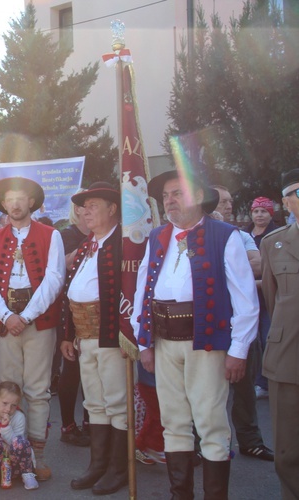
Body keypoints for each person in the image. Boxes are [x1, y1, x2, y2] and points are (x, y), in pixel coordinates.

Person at [132, 170, 258, 499]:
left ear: (199, 197)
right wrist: (143, 341)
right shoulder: (157, 237)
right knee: (174, 423)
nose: (170, 201)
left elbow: (246, 299)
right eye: (165, 197)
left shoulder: (225, 235)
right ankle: (181, 495)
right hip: (163, 341)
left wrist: (239, 350)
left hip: (206, 343)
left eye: (177, 194)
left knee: (211, 424)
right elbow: (143, 292)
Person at [0, 177, 65, 482]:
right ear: (4, 205)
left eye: (21, 198)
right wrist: (6, 316)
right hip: (5, 323)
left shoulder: (51, 235)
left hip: (38, 320)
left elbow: (54, 280)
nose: (15, 204)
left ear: (31, 203)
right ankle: (7, 455)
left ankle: (35, 456)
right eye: (10, 199)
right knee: (8, 388)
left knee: (38, 390)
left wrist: (25, 316)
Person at [60, 182, 128, 495]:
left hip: (112, 336)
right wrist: (68, 335)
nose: (85, 212)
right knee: (95, 403)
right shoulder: (89, 244)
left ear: (112, 209)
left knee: (117, 403)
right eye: (83, 207)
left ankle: (119, 469)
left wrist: (128, 337)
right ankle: (98, 465)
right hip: (85, 336)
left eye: (93, 206)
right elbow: (71, 290)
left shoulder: (124, 244)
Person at [214, 186, 274, 462]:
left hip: (243, 324)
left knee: (245, 387)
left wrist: (222, 263)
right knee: (207, 390)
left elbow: (259, 264)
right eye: (223, 201)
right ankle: (207, 444)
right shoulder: (196, 237)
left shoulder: (240, 235)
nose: (228, 206)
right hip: (209, 326)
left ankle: (250, 440)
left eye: (229, 201)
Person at [260, 168, 299, 500]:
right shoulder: (274, 244)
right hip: (289, 356)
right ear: (286, 200)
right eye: (297, 193)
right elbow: (273, 302)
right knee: (288, 451)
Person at [57, 193, 91, 447]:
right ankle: (68, 425)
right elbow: (65, 265)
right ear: (77, 210)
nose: (89, 211)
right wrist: (92, 243)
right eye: (85, 207)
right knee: (72, 369)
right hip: (69, 312)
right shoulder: (67, 235)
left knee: (93, 373)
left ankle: (92, 422)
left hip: (96, 314)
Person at [248, 197, 279, 400]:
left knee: (269, 338)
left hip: (269, 296)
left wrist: (255, 284)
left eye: (264, 211)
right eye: (256, 211)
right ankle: (259, 381)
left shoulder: (276, 236)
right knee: (253, 340)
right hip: (249, 298)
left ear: (271, 214)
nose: (259, 215)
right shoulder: (243, 235)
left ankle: (271, 381)